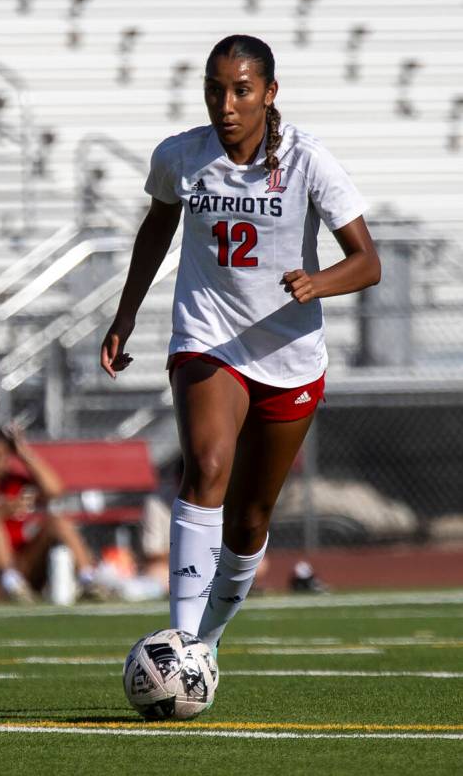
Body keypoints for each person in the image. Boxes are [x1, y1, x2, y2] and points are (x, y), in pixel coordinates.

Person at [100, 34, 380, 652]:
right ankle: (178, 641)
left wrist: (318, 282)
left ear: (269, 93)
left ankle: (206, 647)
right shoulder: (180, 157)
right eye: (214, 89)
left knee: (250, 518)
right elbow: (155, 230)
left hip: (290, 356)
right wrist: (125, 315)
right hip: (209, 338)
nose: (225, 104)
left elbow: (367, 263)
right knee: (207, 468)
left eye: (241, 90)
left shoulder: (309, 160)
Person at [0, 421, 103, 602]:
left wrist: (24, 453)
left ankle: (87, 579)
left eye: (1, 456)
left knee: (57, 522)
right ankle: (10, 583)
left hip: (21, 564)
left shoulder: (15, 483)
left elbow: (54, 490)